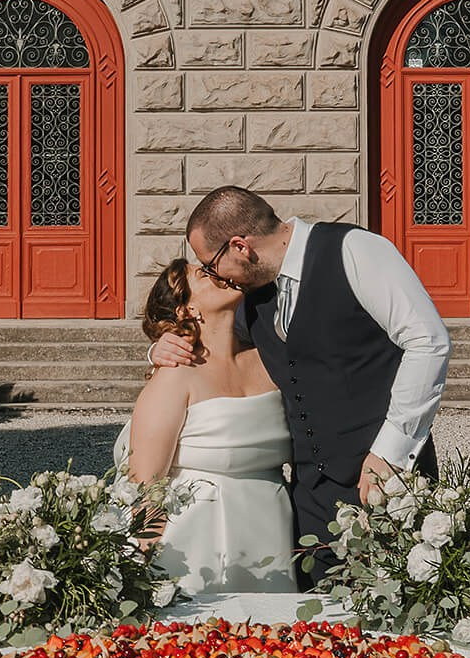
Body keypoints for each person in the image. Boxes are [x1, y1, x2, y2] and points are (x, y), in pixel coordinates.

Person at [148, 187, 452, 583]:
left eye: (210, 265)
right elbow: (216, 346)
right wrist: (159, 349)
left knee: (402, 621)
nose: (214, 277)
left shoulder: (355, 250)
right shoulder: (254, 298)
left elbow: (428, 341)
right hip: (310, 495)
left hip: (386, 480)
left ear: (240, 246)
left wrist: (391, 452)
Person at [116, 256, 296, 595]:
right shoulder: (175, 374)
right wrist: (141, 575)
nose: (219, 273)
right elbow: (145, 482)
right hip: (195, 538)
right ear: (186, 309)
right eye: (204, 273)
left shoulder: (269, 358)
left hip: (271, 525)